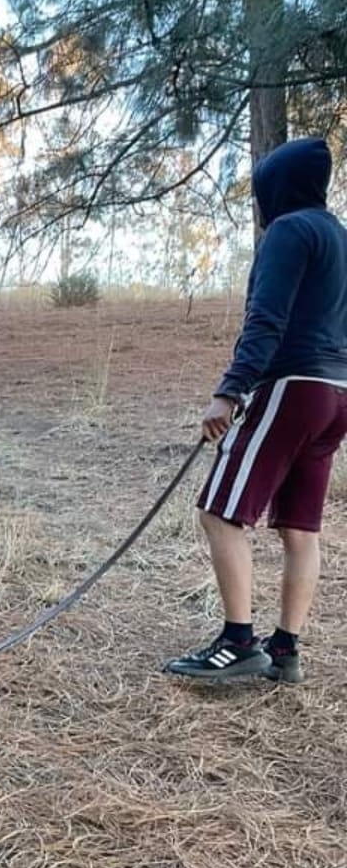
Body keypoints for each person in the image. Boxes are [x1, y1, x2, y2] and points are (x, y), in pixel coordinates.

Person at [165, 136, 347, 684]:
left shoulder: (289, 231)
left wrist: (231, 391)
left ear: (277, 186)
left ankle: (238, 641)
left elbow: (265, 319)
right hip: (339, 394)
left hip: (293, 386)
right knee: (299, 528)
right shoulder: (340, 235)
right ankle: (285, 649)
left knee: (219, 512)